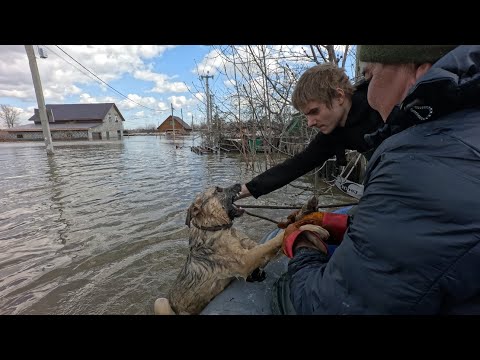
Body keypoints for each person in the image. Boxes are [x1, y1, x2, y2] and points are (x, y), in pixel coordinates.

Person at [283, 45, 480, 314]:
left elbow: (331, 305)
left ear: (418, 71)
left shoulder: (416, 158)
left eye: (368, 76)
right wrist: (344, 223)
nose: (368, 95)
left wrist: (303, 247)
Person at [236, 62, 384, 200]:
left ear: (339, 96)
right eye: (306, 115)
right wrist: (240, 191)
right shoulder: (334, 132)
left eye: (315, 111)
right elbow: (297, 165)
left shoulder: (382, 104)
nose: (310, 123)